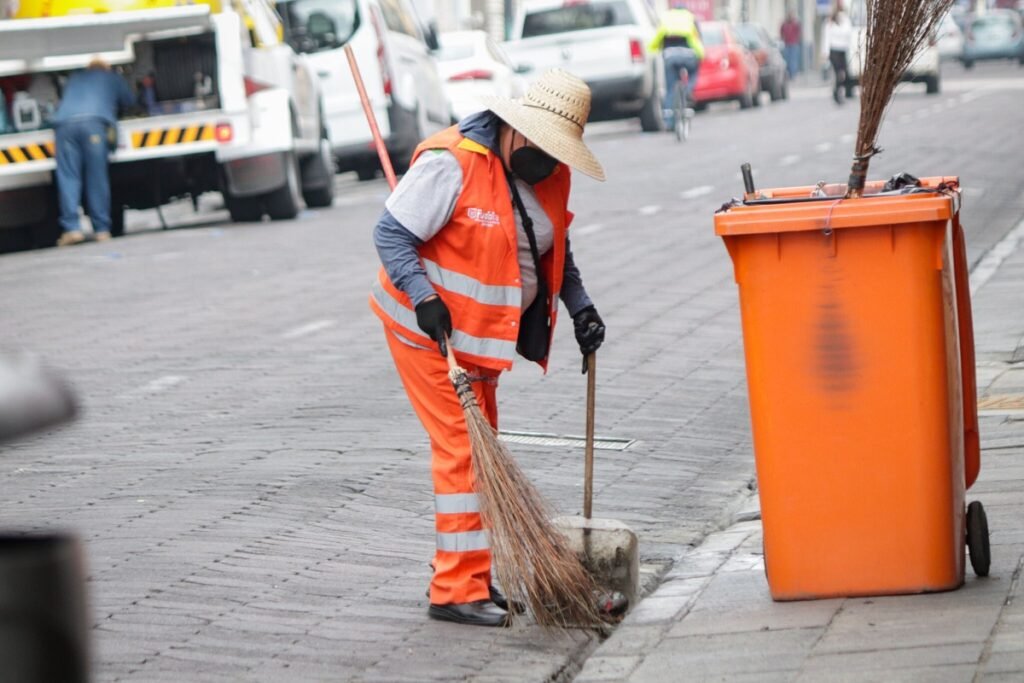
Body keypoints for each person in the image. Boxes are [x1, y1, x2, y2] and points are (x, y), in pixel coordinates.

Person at [369, 69, 606, 627]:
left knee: (482, 454)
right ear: (515, 128)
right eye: (542, 147)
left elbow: (552, 249)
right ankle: (455, 591)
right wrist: (425, 298)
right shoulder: (452, 163)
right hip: (426, 332)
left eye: (558, 153)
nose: (548, 162)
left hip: (480, 343)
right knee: (463, 452)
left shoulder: (551, 173)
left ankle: (472, 575)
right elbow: (390, 233)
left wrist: (581, 307)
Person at [50, 57, 134, 246]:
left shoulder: (75, 78)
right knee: (96, 177)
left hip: (64, 126)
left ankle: (72, 228)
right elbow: (129, 100)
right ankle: (101, 229)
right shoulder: (112, 77)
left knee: (69, 177)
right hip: (94, 125)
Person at [648, 0, 704, 128]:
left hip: (669, 56)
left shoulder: (666, 18)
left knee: (670, 87)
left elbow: (658, 38)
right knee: (694, 71)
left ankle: (669, 121)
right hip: (688, 55)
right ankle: (688, 90)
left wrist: (652, 50)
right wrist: (701, 54)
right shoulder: (690, 18)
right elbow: (697, 38)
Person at [821, 1, 852, 105]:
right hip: (834, 50)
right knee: (838, 73)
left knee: (843, 73)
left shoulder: (846, 20)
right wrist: (825, 52)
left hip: (843, 49)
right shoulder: (829, 22)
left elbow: (848, 34)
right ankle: (837, 93)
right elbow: (826, 37)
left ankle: (837, 91)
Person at [780, 11, 802, 78]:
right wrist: (782, 38)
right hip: (787, 44)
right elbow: (781, 31)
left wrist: (797, 40)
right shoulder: (784, 24)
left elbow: (799, 32)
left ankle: (793, 75)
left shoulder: (795, 24)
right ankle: (789, 74)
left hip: (794, 44)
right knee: (787, 60)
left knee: (793, 60)